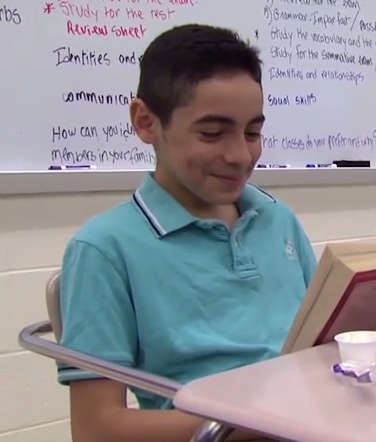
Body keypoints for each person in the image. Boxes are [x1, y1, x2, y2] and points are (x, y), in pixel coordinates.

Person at [57, 24, 316, 442]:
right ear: (146, 122)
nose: (239, 154)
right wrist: (261, 421)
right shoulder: (106, 250)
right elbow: (96, 429)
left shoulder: (277, 220)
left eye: (253, 132)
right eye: (212, 133)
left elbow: (318, 347)